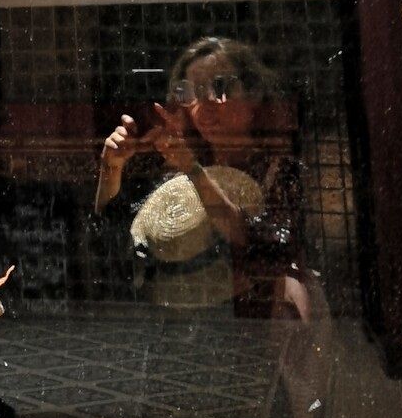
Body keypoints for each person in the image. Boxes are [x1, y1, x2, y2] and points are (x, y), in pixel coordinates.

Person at [95, 36, 308, 320]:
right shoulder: (178, 170)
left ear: (253, 95)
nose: (204, 103)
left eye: (220, 87)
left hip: (256, 321)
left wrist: (191, 168)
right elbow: (119, 235)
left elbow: (256, 246)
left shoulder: (279, 170)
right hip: (183, 322)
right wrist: (112, 166)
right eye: (190, 92)